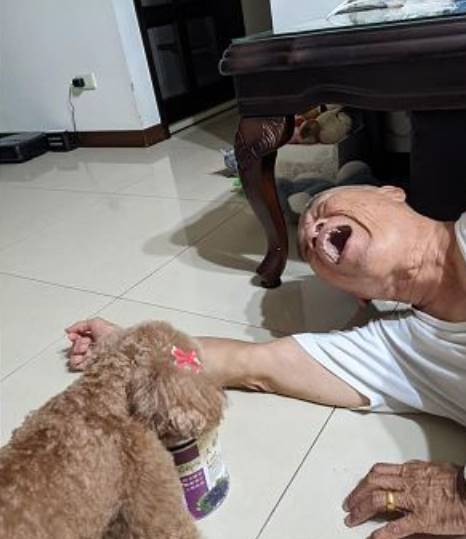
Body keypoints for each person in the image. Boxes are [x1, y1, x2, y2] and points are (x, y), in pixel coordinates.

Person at [67, 184, 466, 539]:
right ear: (358, 295)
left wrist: (460, 494)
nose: (313, 231)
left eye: (322, 208)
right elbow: (251, 364)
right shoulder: (393, 351)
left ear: (390, 192)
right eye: (308, 249)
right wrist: (124, 344)